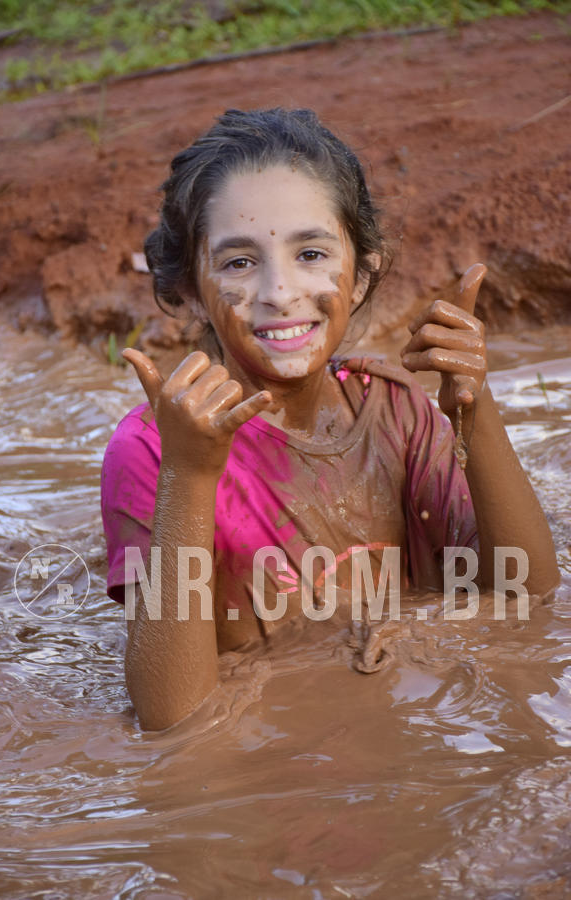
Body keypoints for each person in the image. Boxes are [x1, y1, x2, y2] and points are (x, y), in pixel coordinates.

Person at [101, 107, 559, 731]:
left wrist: (474, 413)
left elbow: (527, 599)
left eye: (311, 253)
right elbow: (172, 720)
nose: (280, 292)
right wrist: (190, 471)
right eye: (238, 262)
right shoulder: (156, 446)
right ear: (188, 287)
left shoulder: (396, 410)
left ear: (363, 273)